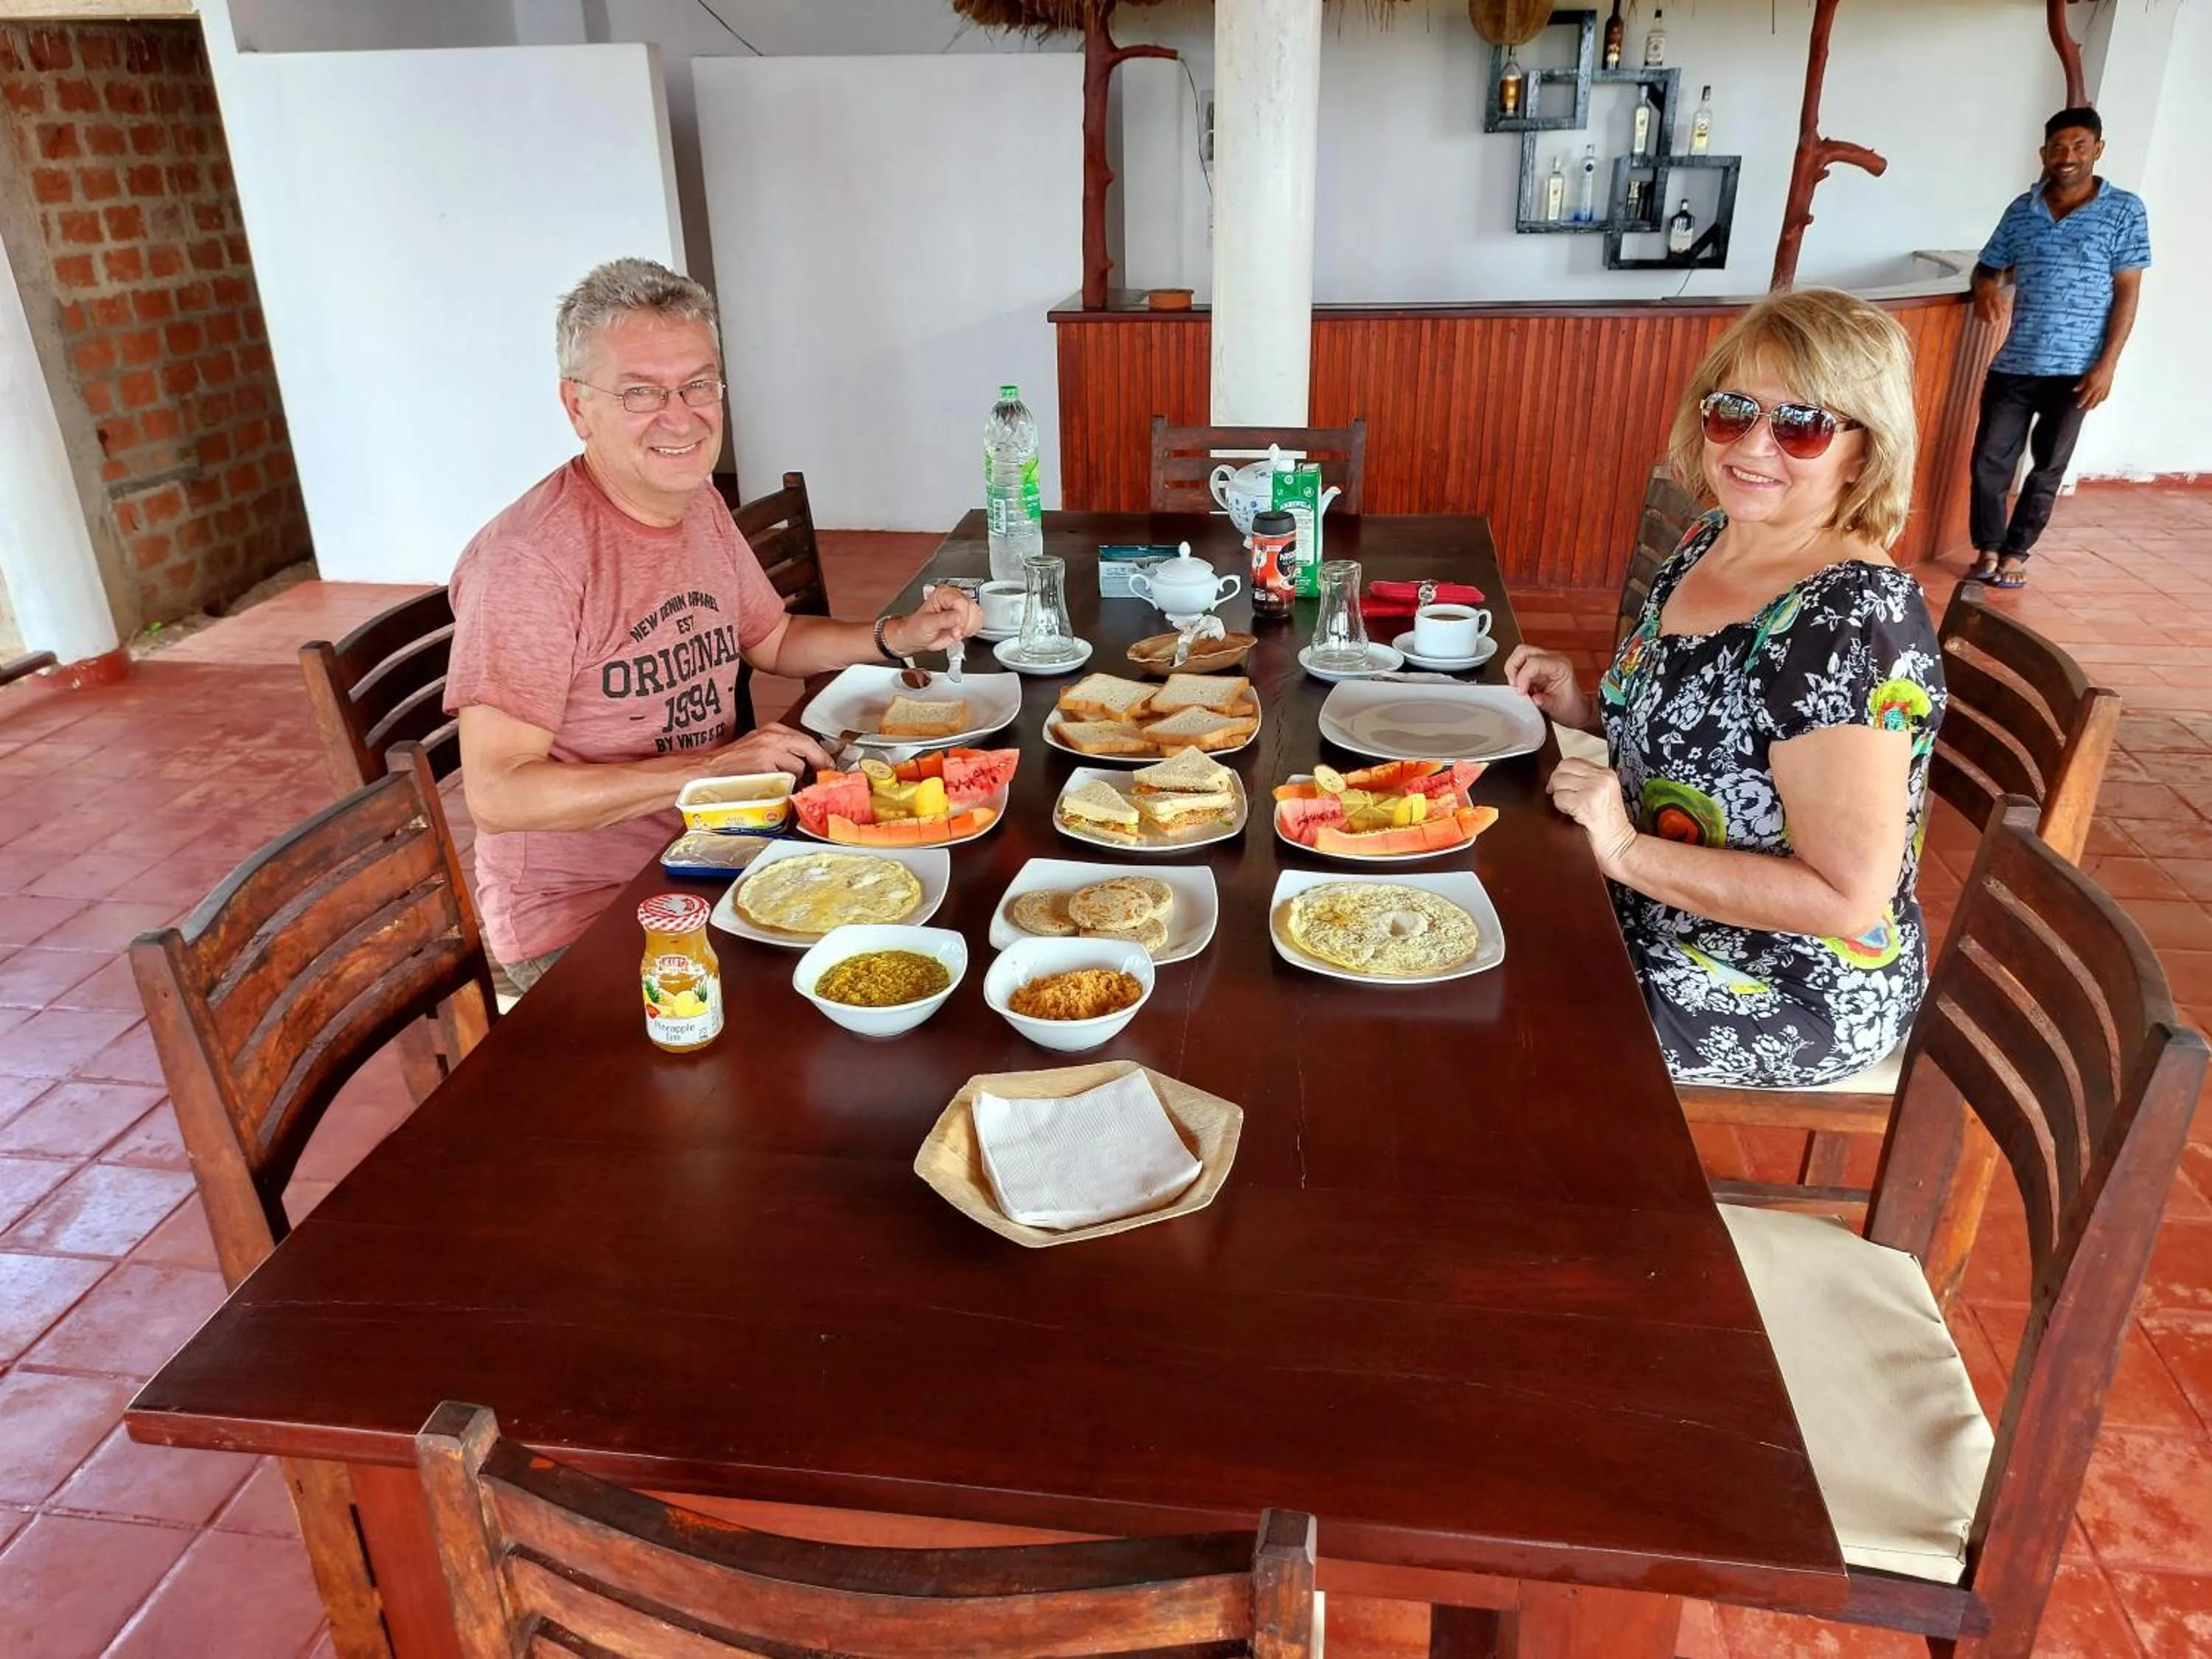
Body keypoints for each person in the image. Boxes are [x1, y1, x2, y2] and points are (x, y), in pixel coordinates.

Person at [445, 257, 981, 992]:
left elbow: (776, 641)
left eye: (699, 384)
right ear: (578, 407)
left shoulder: (693, 502)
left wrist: (898, 636)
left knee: (950, 910)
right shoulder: (531, 564)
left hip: (724, 847)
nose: (681, 415)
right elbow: (499, 792)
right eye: (641, 392)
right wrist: (705, 771)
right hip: (589, 918)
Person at [1506, 289, 1947, 1088]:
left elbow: (1844, 899)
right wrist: (1579, 703)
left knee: (1503, 1014)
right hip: (1658, 899)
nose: (1754, 445)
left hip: (1788, 977)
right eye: (1734, 409)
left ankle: (1563, 1203)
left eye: (1802, 424)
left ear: (1864, 450)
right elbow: (1706, 741)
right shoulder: (1715, 537)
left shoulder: (1849, 620)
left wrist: (1628, 853)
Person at [1966, 107, 2152, 591]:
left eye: (2078, 146)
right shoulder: (2022, 210)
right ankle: (1987, 546)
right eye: (2058, 148)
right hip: (2015, 362)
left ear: (2098, 149)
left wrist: (2107, 365)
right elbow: (1989, 266)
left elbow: (2128, 292)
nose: (2067, 157)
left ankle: (2016, 553)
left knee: (2048, 468)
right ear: (2043, 153)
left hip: (2078, 369)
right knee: (1989, 462)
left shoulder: (2124, 210)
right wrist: (1987, 285)